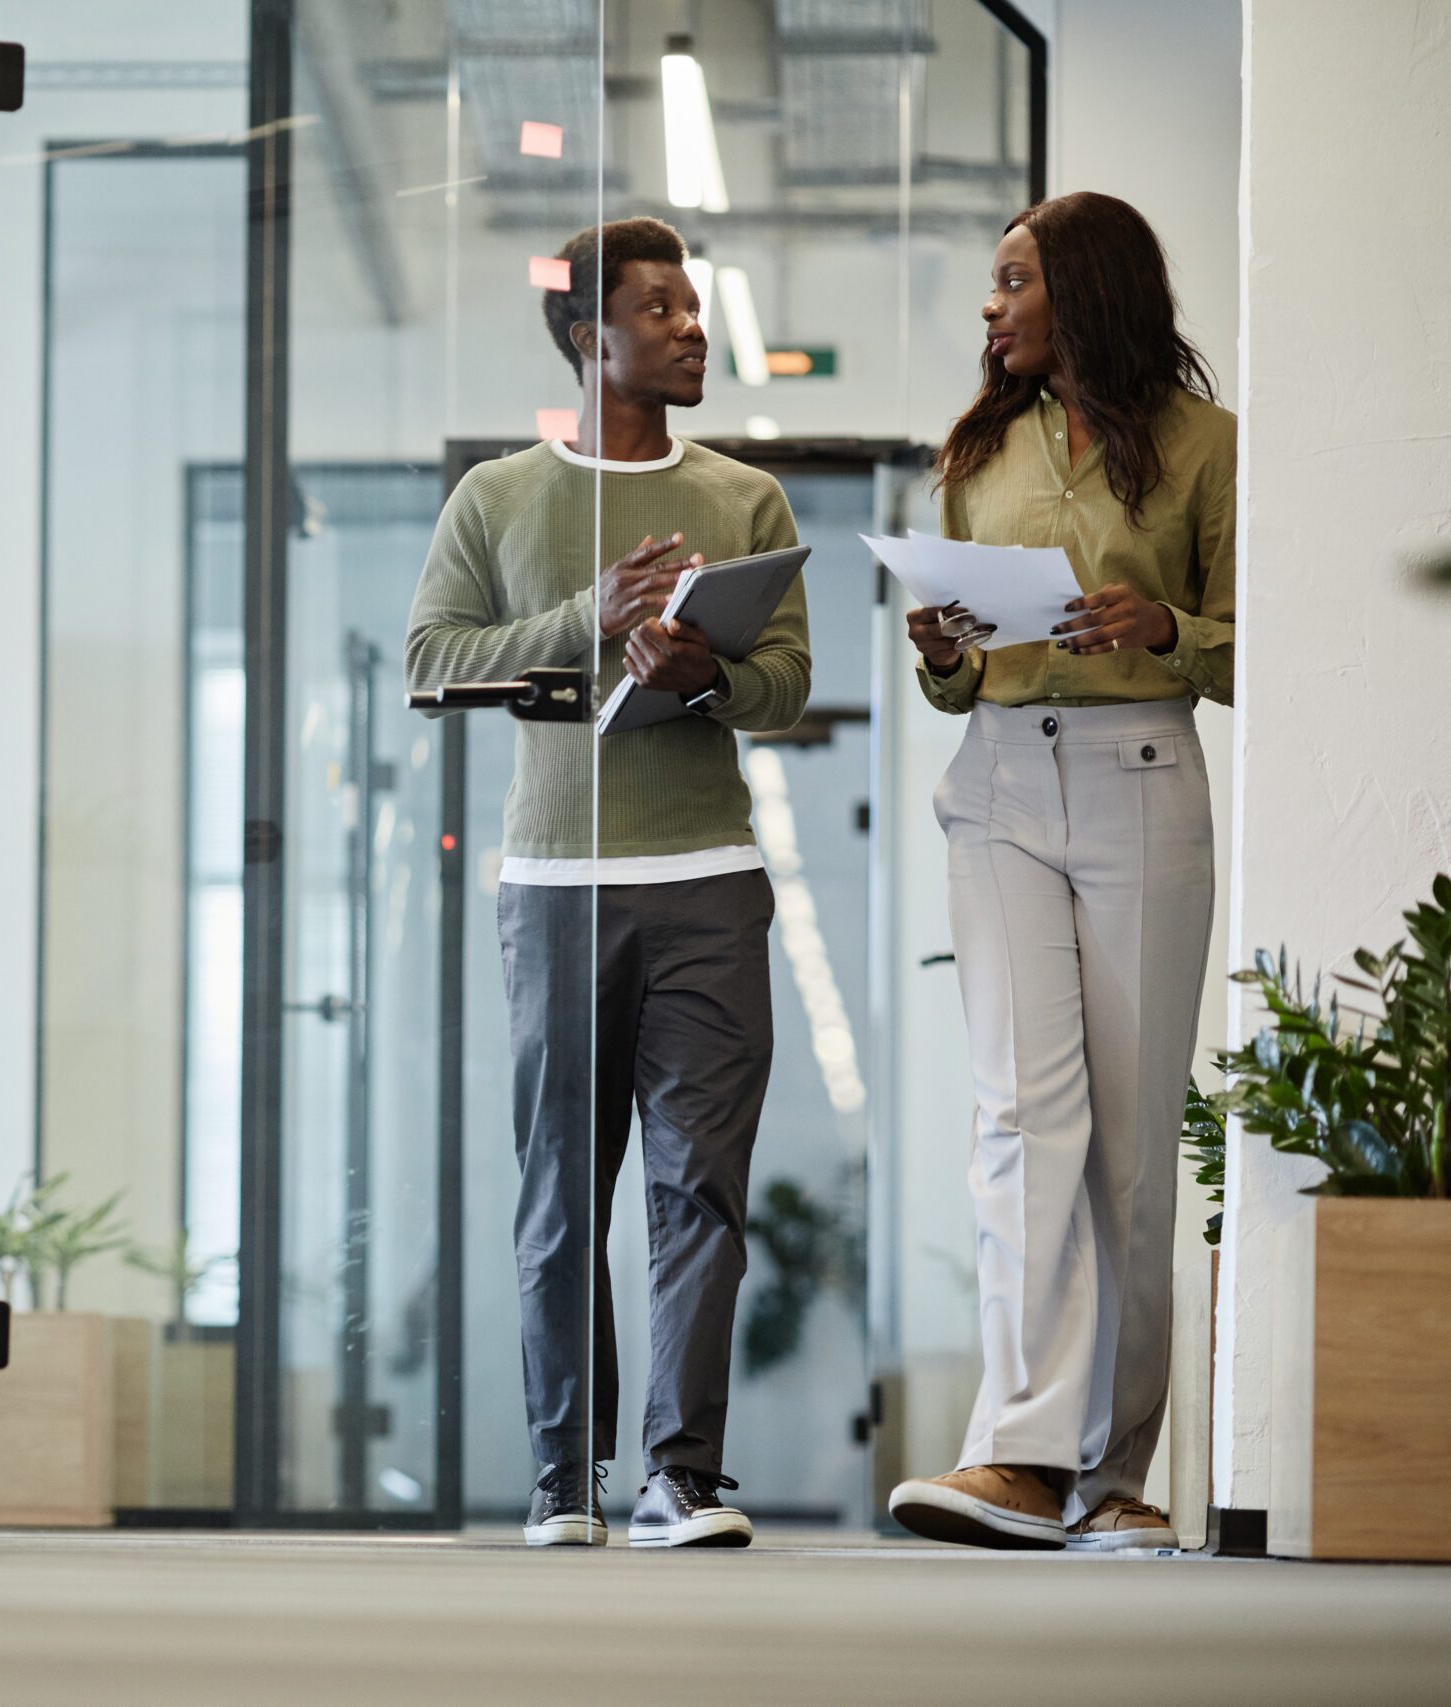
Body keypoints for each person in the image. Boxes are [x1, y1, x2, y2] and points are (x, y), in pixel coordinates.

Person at [405, 218, 809, 1549]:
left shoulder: (746, 499)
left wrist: (707, 675)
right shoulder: (498, 496)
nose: (693, 330)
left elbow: (785, 687)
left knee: (701, 1191)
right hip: (556, 883)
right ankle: (563, 1477)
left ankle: (679, 1478)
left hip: (710, 878)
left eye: (694, 308)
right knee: (563, 1192)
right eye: (661, 310)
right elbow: (432, 661)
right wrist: (592, 614)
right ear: (591, 337)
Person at [887, 191, 1231, 1553]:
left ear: (1085, 291)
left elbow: (1254, 641)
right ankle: (1021, 1454)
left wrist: (1168, 625)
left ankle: (1113, 1478)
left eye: (1013, 279)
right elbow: (958, 669)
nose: (992, 304)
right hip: (999, 781)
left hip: (1142, 773)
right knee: (1020, 1121)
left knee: (1131, 1153)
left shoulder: (1207, 447)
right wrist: (942, 653)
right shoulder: (976, 451)